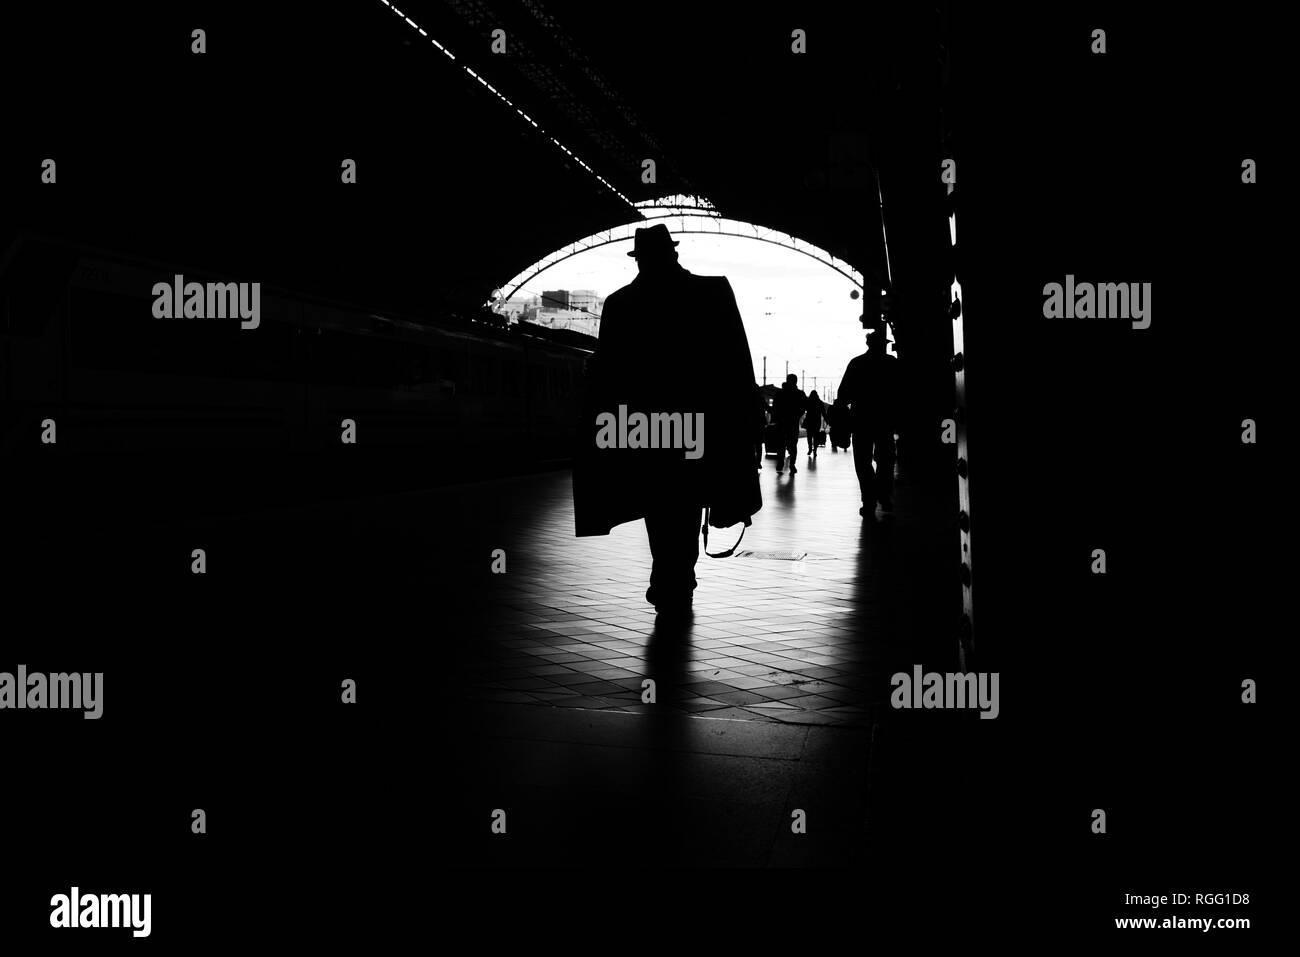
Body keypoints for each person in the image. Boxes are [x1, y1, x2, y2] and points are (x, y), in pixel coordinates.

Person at [573, 224, 761, 613]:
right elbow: (736, 363)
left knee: (657, 502)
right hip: (701, 424)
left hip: (643, 426)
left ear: (640, 259)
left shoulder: (621, 303)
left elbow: (608, 373)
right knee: (687, 502)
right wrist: (744, 421)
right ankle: (677, 576)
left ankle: (668, 574)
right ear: (674, 253)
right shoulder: (712, 292)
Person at [837, 328, 899, 515]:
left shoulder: (857, 363)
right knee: (886, 460)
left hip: (861, 420)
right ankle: (884, 496)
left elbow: (843, 394)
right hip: (885, 420)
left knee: (863, 462)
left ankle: (869, 500)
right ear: (883, 345)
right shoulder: (891, 363)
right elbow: (902, 391)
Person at [771, 373, 807, 473]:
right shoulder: (800, 393)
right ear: (796, 381)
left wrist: (775, 419)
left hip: (781, 422)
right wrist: (797, 414)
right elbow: (804, 407)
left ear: (787, 380)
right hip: (793, 423)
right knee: (793, 445)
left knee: (780, 443)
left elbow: (775, 408)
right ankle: (792, 464)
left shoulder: (779, 393)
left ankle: (780, 462)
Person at [804, 389, 825, 458]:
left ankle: (810, 448)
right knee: (816, 437)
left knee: (809, 436)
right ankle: (815, 450)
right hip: (817, 422)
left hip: (809, 421)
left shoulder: (808, 401)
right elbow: (824, 413)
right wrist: (828, 420)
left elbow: (804, 409)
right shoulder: (820, 402)